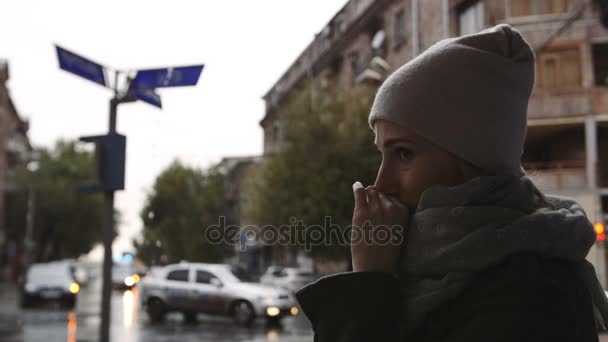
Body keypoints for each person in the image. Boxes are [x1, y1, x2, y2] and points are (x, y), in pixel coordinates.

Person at [295, 24, 608, 342]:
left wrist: (370, 281)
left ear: (472, 157)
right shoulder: (432, 266)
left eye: (403, 153)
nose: (381, 182)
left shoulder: (532, 294)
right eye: (381, 154)